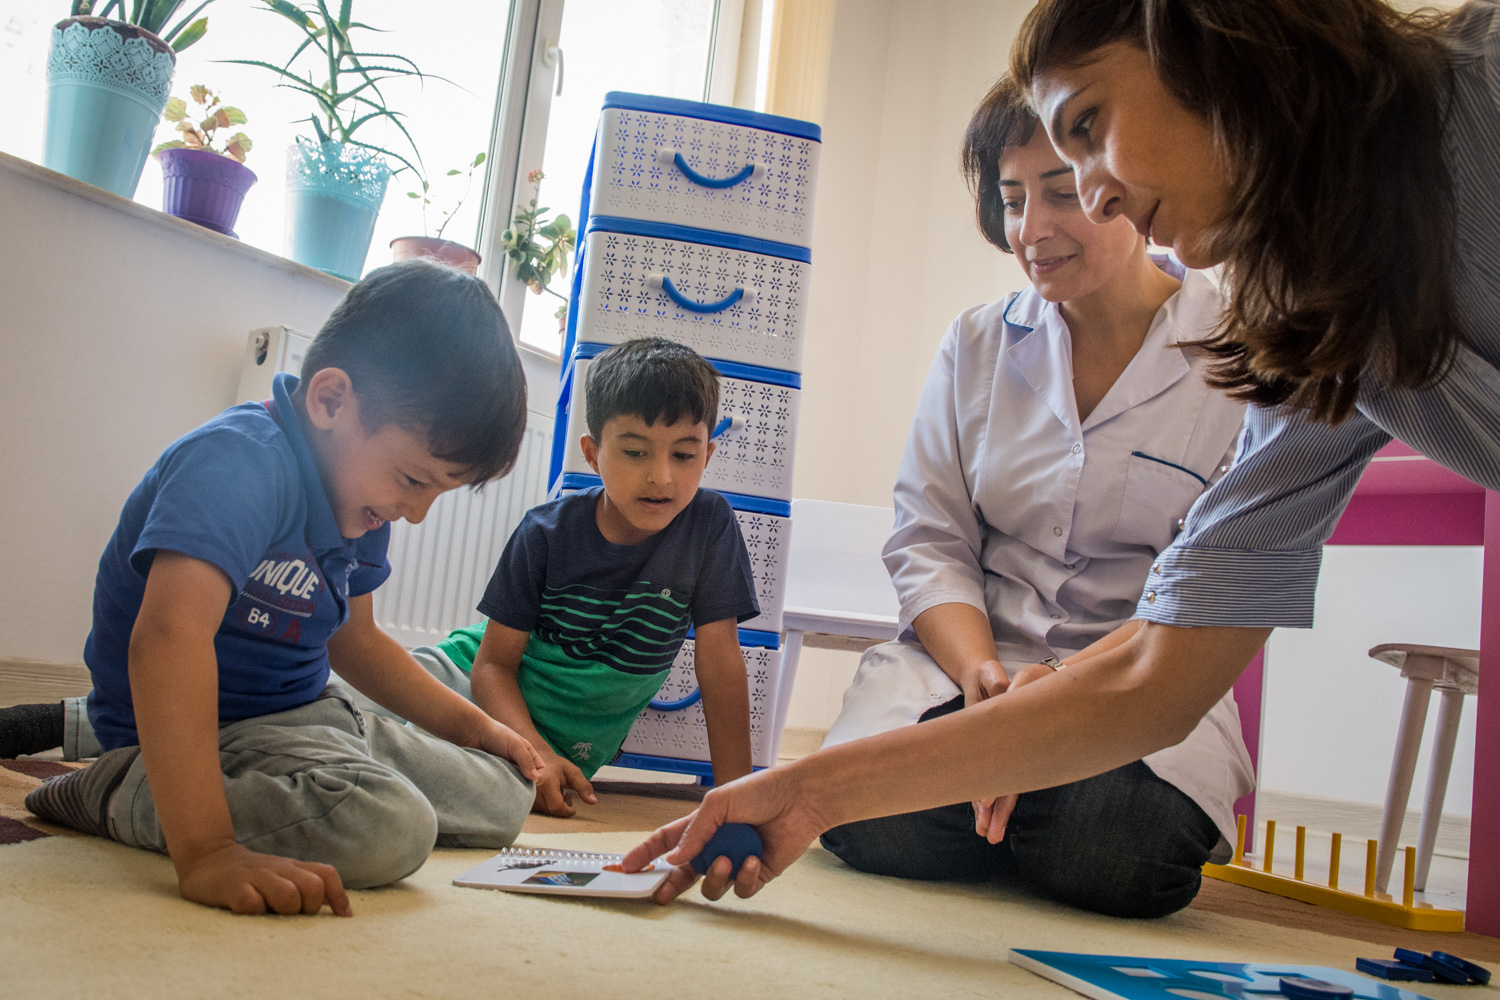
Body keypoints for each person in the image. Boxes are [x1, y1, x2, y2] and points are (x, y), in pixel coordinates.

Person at [621, 0, 1500, 905]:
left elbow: (1157, 666)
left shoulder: (1483, 88)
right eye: (1019, 195)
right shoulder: (1305, 325)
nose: (1096, 193)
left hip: (1100, 702)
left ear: (1212, 40)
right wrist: (813, 789)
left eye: (1087, 131)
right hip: (1007, 679)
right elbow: (1136, 660)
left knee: (1112, 838)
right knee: (893, 805)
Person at [814, 76, 1250, 919]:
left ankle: (1018, 811)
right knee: (875, 821)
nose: (1032, 231)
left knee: (1116, 849)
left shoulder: (1233, 357)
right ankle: (1004, 807)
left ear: (1124, 183)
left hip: (1129, 685)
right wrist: (984, 678)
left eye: (1061, 193)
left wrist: (1050, 695)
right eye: (1013, 201)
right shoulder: (976, 344)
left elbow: (1201, 591)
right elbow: (929, 540)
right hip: (964, 669)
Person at [17, 261, 545, 917]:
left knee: (504, 795)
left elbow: (357, 642)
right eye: (414, 481)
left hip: (309, 715)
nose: (417, 513)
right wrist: (208, 851)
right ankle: (123, 788)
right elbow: (167, 639)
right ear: (331, 401)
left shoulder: (359, 497)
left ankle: (291, 768)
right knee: (391, 828)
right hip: (216, 726)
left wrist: (477, 728)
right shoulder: (236, 463)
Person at [411, 336, 758, 815]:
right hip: (461, 686)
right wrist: (538, 755)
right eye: (635, 452)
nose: (661, 477)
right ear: (593, 455)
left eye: (683, 455)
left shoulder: (710, 525)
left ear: (708, 455)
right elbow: (490, 668)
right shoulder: (545, 532)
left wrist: (739, 798)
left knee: (469, 802)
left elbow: (720, 664)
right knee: (341, 712)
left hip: (540, 746)